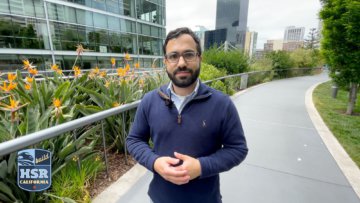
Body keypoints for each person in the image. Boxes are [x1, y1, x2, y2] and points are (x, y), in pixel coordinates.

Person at [126, 27, 248, 203]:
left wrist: (201, 166)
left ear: (200, 58)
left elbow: (238, 149)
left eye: (189, 54)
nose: (181, 63)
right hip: (160, 199)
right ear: (166, 61)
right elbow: (134, 140)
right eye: (174, 56)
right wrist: (155, 162)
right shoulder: (149, 101)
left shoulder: (222, 104)